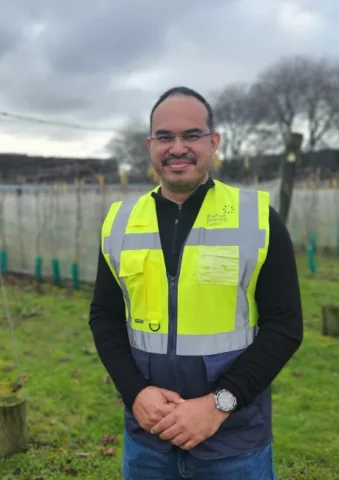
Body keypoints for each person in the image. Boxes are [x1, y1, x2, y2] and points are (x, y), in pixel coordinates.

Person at [88, 86, 303, 479]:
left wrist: (219, 404)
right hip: (148, 438)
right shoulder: (119, 222)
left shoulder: (257, 218)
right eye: (165, 137)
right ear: (150, 145)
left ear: (213, 142)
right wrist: (135, 392)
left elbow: (285, 326)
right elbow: (105, 316)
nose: (177, 148)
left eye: (191, 135)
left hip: (234, 441)